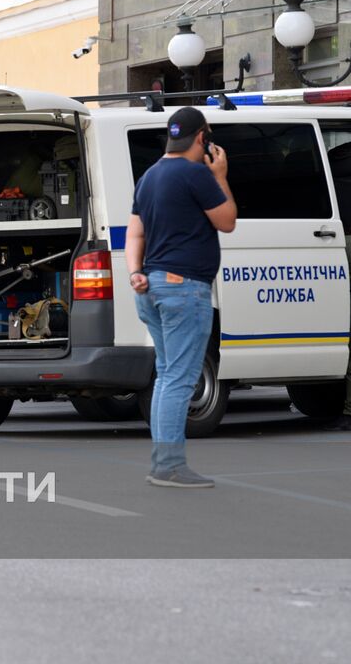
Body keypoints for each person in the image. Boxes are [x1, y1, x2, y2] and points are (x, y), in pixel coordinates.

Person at [127, 106, 236, 488]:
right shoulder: (196, 174)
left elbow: (135, 234)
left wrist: (135, 272)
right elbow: (227, 221)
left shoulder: (150, 176)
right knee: (178, 378)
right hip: (185, 288)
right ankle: (169, 466)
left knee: (166, 377)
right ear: (203, 139)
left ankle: (163, 461)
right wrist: (219, 176)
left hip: (153, 286)